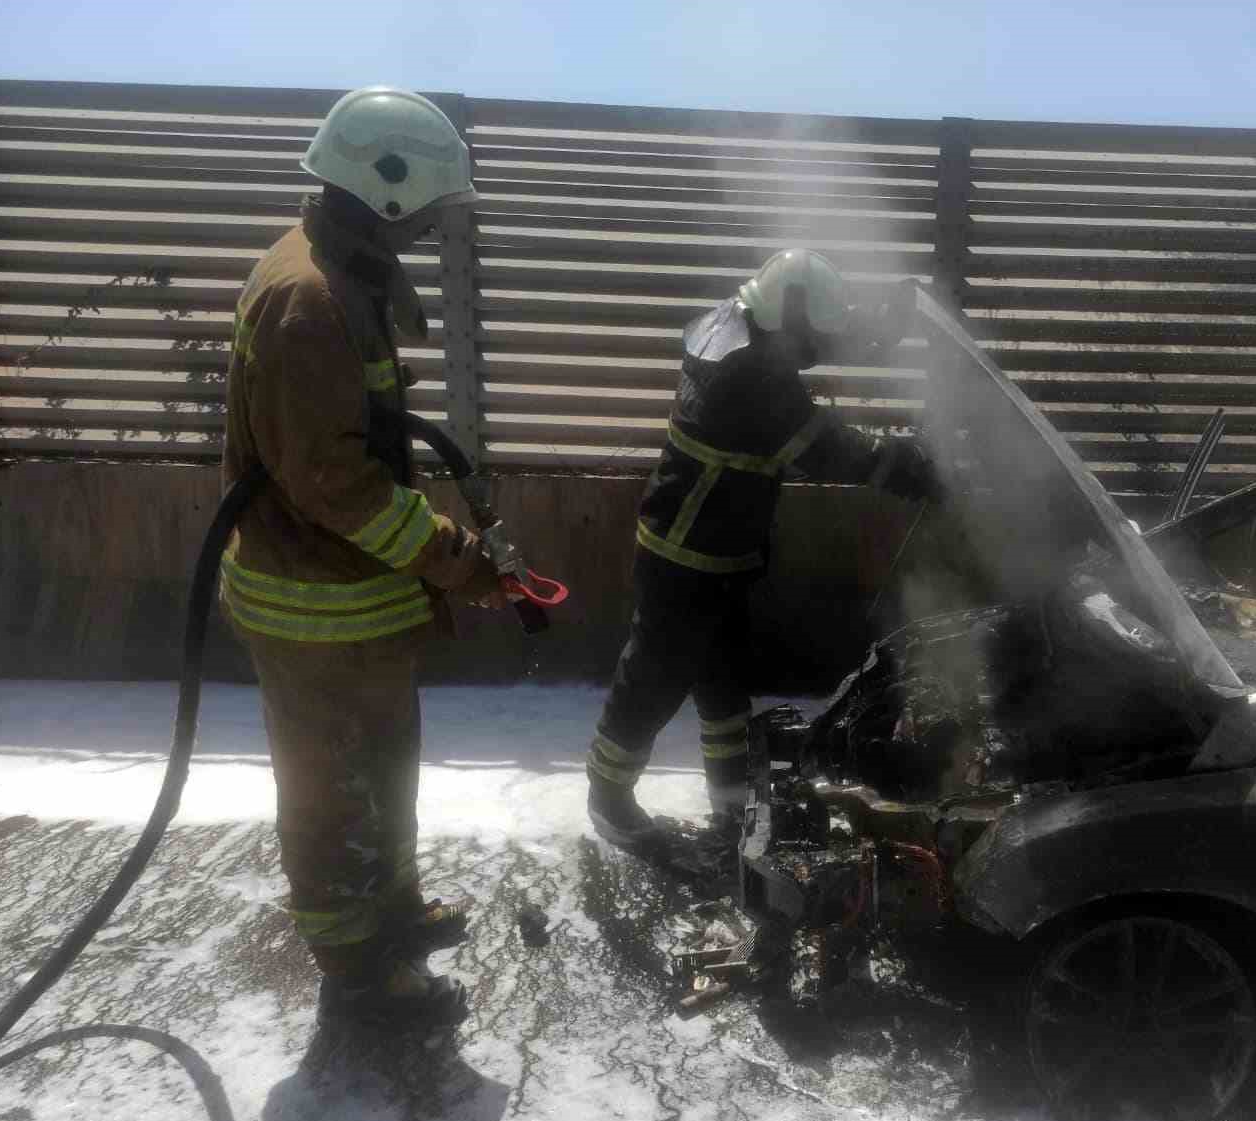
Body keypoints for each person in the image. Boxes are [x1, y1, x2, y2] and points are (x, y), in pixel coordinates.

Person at [220, 86, 503, 1029]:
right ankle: (356, 970)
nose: (432, 223)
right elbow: (332, 483)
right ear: (386, 190)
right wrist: (455, 556)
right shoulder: (309, 298)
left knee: (382, 769)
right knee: (333, 792)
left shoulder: (342, 269)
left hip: (353, 605)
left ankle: (394, 913)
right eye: (428, 204)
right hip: (315, 609)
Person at [586, 249, 939, 845]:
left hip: (714, 549)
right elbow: (824, 447)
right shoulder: (748, 377)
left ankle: (730, 806)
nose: (812, 341)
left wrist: (876, 331)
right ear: (789, 312)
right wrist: (903, 466)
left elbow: (803, 343)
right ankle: (608, 797)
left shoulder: (739, 324)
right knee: (652, 678)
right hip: (685, 558)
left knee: (722, 683)